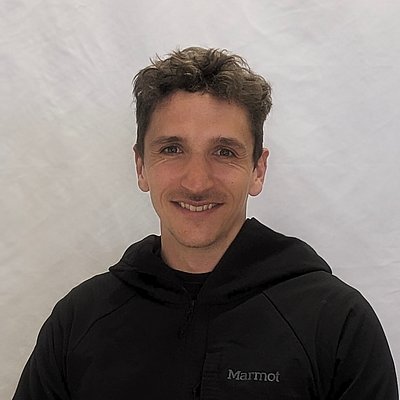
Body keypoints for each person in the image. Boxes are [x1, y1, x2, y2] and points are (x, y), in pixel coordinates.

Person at [13, 47, 398, 400]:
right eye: (172, 149)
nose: (197, 183)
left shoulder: (337, 323)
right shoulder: (78, 320)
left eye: (224, 152)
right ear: (141, 166)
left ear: (258, 169)